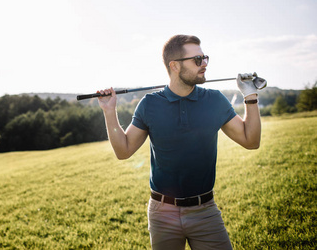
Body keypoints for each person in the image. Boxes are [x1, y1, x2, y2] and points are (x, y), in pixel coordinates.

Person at [96, 35, 262, 250]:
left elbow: (251, 141)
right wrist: (109, 111)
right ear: (174, 66)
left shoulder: (215, 100)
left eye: (205, 58)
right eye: (197, 60)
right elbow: (123, 151)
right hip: (162, 213)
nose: (204, 64)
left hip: (205, 211)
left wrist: (250, 96)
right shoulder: (149, 104)